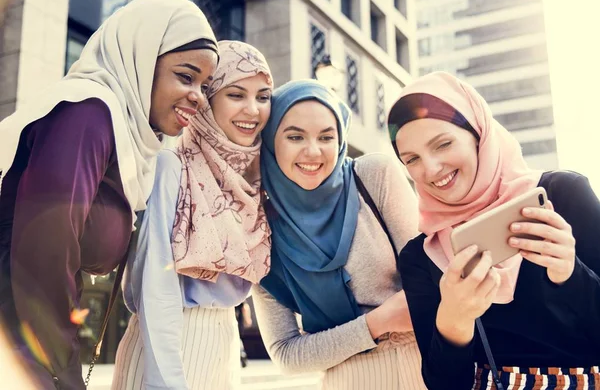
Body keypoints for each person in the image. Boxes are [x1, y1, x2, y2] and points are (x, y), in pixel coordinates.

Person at [0, 0, 219, 389]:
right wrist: (62, 371)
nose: (198, 97)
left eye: (205, 85)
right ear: (140, 60)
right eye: (186, 77)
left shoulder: (128, 141)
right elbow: (45, 251)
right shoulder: (87, 112)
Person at [388, 71, 600, 389]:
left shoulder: (563, 195)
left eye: (443, 144)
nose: (430, 169)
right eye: (412, 159)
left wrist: (570, 274)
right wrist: (454, 318)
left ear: (478, 134)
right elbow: (444, 384)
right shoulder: (420, 256)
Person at [111, 41, 273, 390]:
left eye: (263, 96)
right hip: (167, 348)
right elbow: (157, 284)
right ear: (208, 100)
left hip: (225, 345)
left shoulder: (255, 181)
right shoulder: (172, 166)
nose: (253, 110)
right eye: (236, 94)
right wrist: (165, 382)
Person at [252, 79, 426, 389]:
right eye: (295, 136)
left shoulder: (374, 177)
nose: (313, 151)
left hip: (422, 370)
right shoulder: (259, 232)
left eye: (326, 136)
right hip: (345, 381)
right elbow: (286, 353)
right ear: (270, 141)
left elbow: (429, 284)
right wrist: (377, 323)